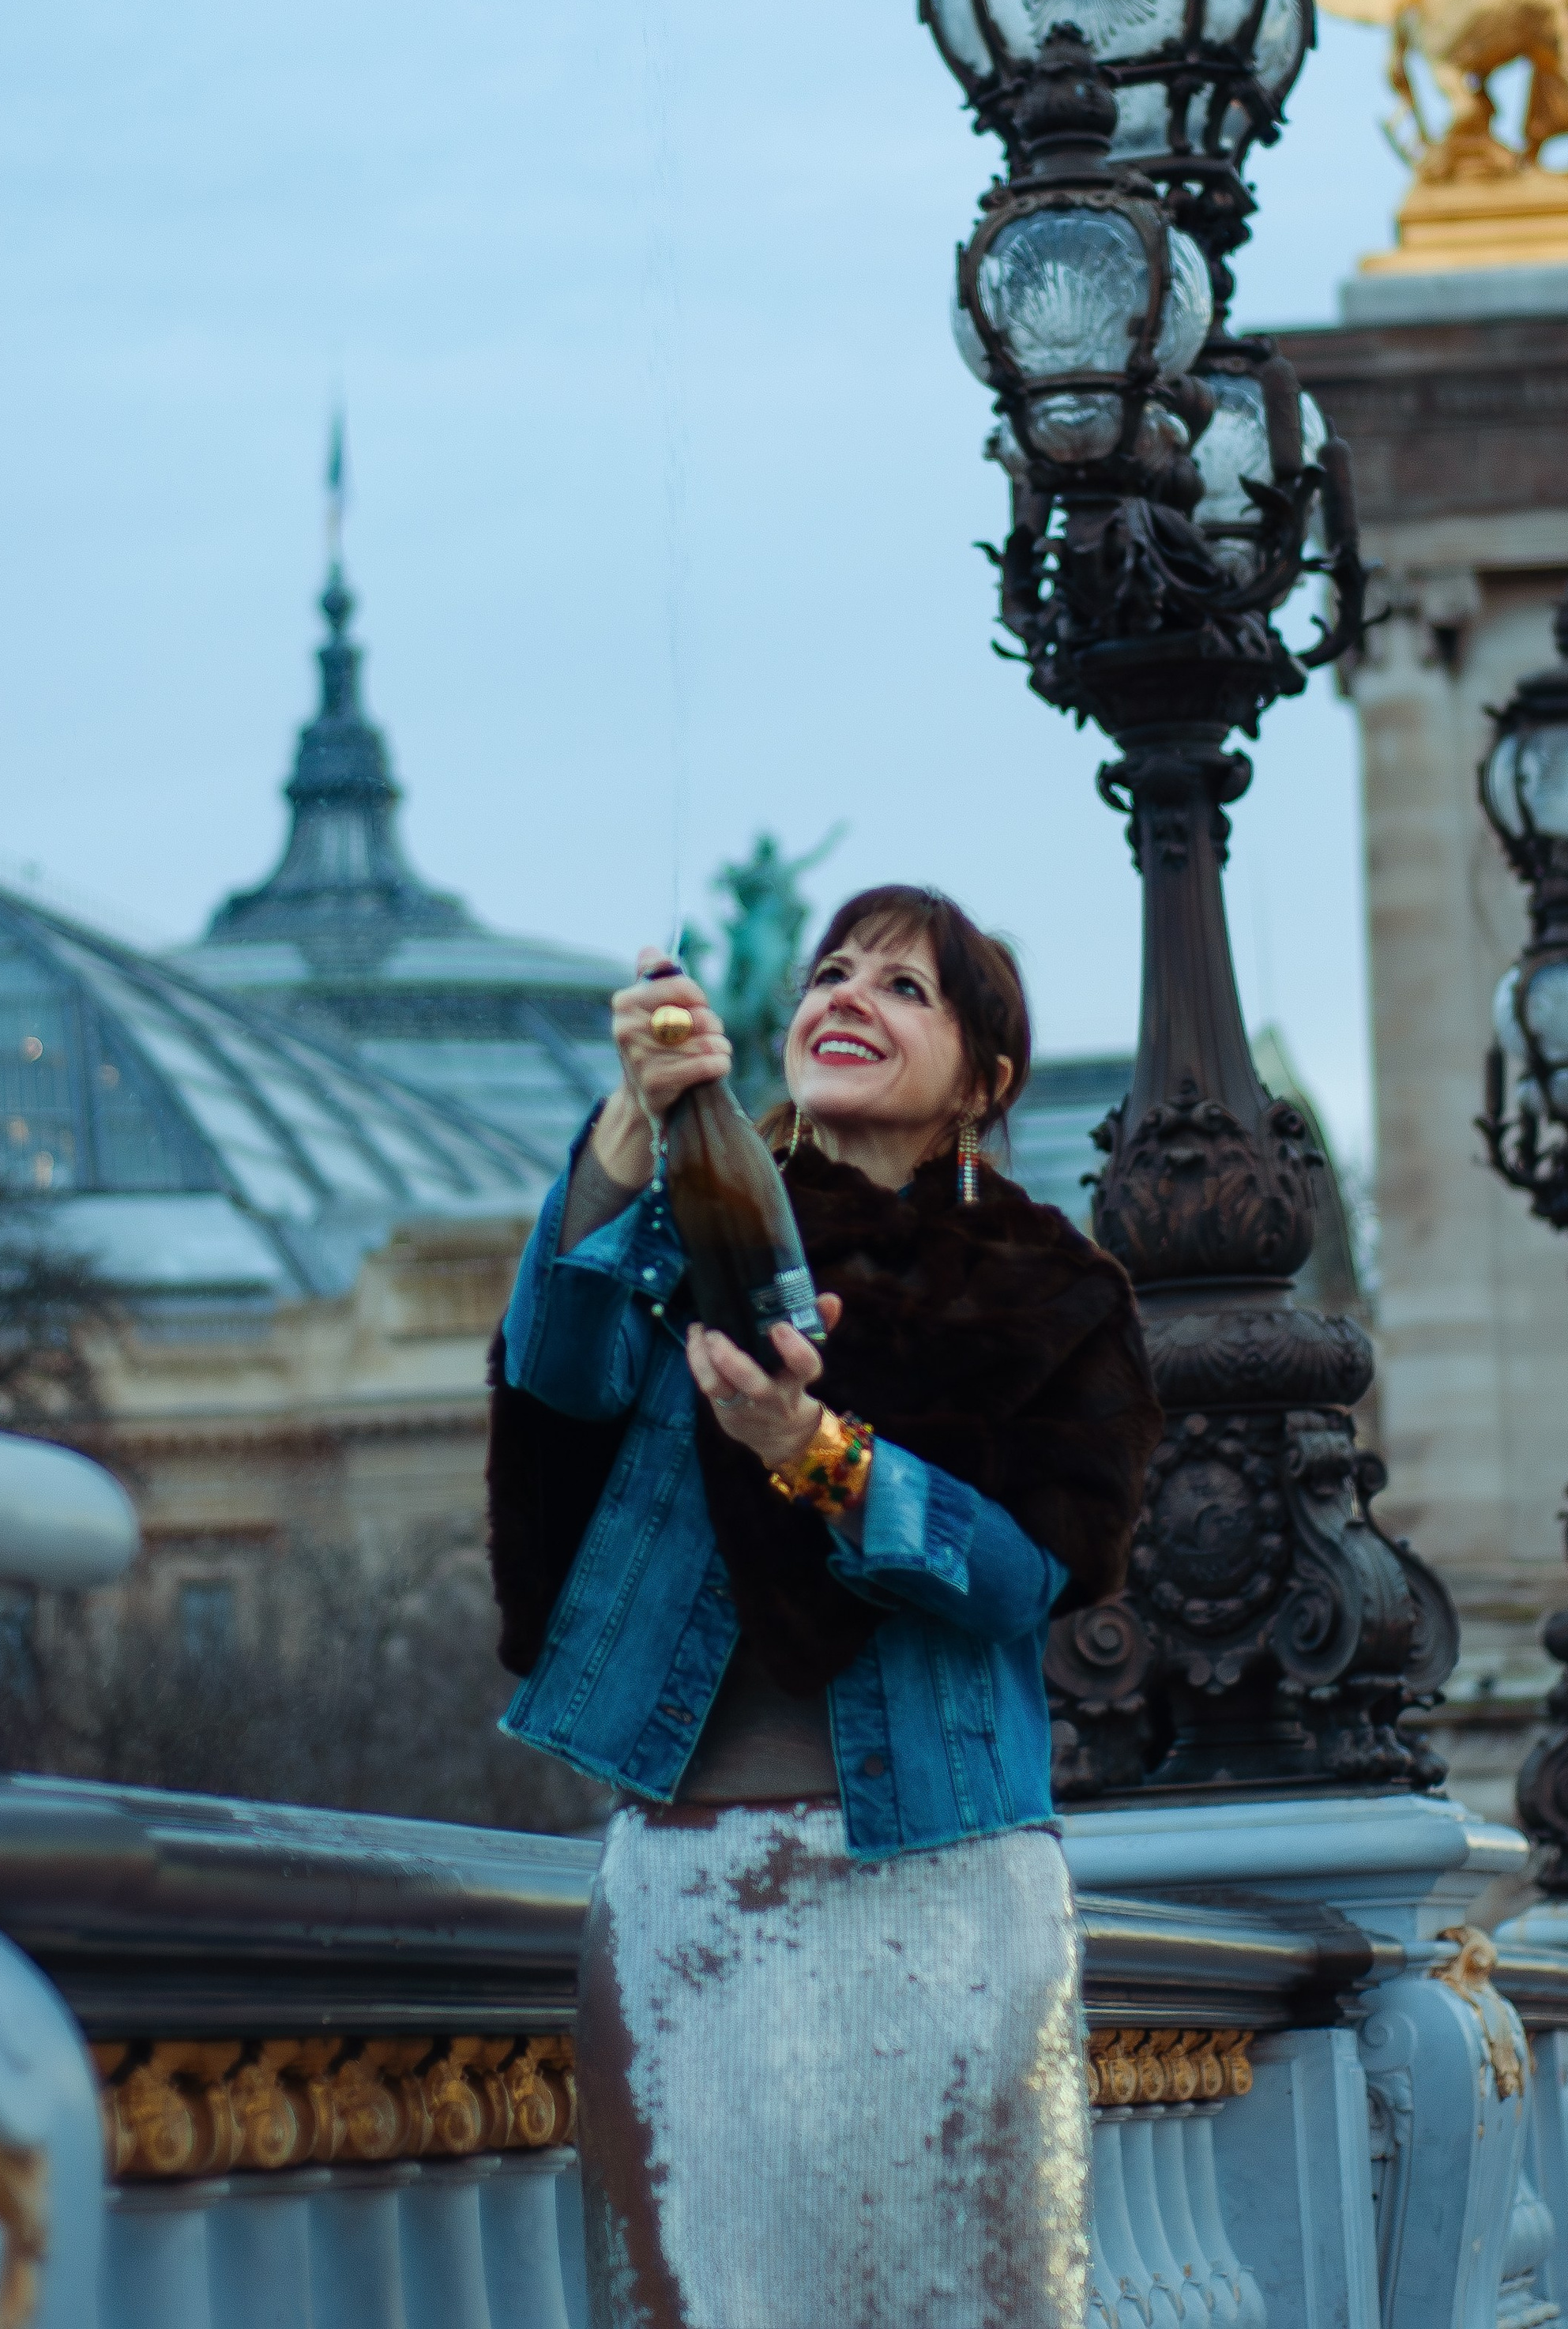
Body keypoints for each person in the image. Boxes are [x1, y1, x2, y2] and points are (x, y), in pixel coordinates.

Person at [487, 884, 1159, 2329]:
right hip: (688, 1896)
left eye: (907, 989)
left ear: (981, 1083)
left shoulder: (1055, 1296)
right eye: (831, 973)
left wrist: (821, 1459)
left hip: (942, 1890)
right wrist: (627, 1124)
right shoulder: (689, 1236)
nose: (848, 996)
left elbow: (1022, 1578)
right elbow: (554, 1374)